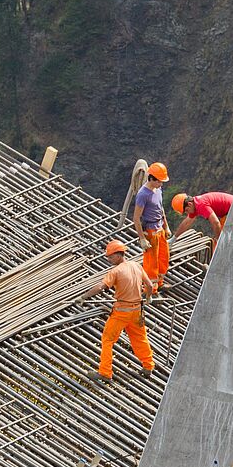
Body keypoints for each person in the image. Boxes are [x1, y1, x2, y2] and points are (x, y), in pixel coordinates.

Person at [88, 240, 155, 382]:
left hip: (121, 312)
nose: (109, 260)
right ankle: (148, 366)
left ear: (119, 255)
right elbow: (149, 285)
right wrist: (148, 297)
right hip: (137, 311)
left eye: (110, 257)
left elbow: (101, 287)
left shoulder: (116, 271)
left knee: (107, 339)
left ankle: (105, 372)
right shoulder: (136, 266)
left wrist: (83, 297)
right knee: (140, 338)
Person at [132, 162, 171, 289]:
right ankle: (150, 289)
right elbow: (136, 218)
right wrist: (142, 239)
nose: (161, 184)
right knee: (151, 262)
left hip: (160, 229)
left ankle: (159, 283)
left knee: (163, 258)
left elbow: (160, 208)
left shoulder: (158, 189)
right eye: (159, 181)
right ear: (152, 178)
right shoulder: (143, 195)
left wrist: (166, 226)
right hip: (150, 230)